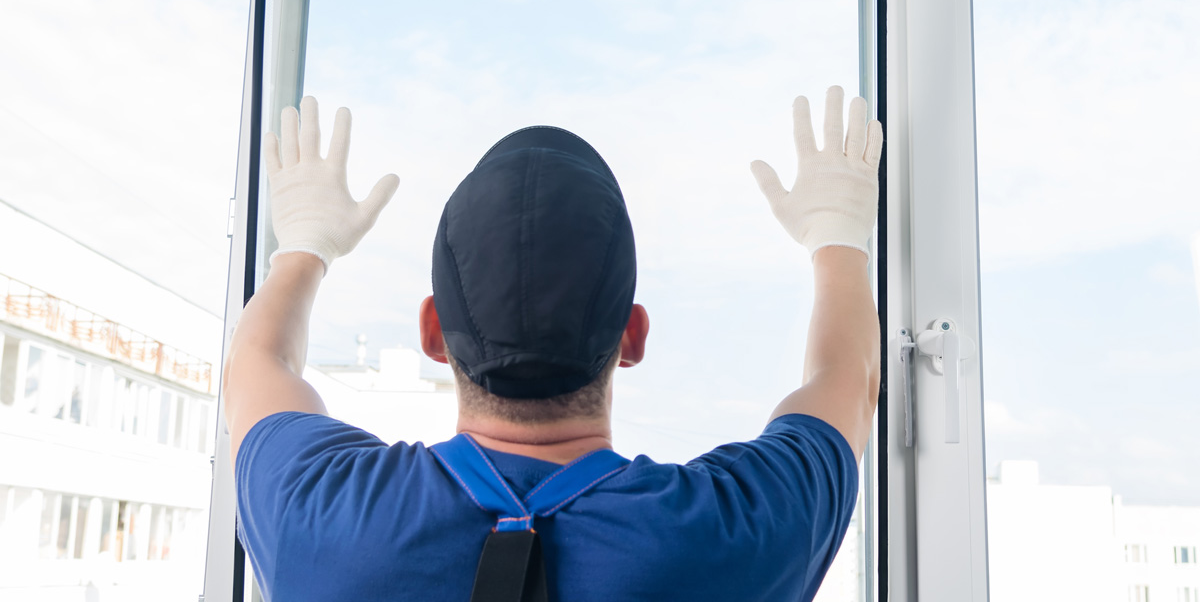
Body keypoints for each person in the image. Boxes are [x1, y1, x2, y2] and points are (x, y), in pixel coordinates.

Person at [223, 87, 883, 601]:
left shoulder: (317, 507)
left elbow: (258, 364)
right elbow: (848, 379)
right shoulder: (733, 528)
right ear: (632, 336)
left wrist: (306, 246)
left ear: (433, 334)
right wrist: (838, 235)